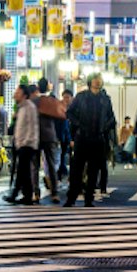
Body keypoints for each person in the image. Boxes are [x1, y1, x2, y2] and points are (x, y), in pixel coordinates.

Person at [64, 73, 115, 207]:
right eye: (95, 79)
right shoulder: (81, 97)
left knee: (94, 171)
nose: (97, 82)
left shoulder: (105, 99)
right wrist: (78, 124)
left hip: (98, 138)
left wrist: (105, 127)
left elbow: (112, 118)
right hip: (82, 137)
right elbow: (69, 113)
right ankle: (71, 198)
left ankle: (89, 199)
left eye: (99, 79)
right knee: (77, 169)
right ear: (90, 81)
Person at [35, 78, 63, 203]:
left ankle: (36, 192)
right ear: (47, 87)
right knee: (51, 165)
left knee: (34, 165)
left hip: (35, 136)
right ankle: (54, 192)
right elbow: (60, 118)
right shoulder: (52, 101)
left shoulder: (34, 101)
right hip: (50, 136)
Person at [10, 84, 39, 205]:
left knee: (22, 170)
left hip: (27, 144)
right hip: (21, 144)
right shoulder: (21, 108)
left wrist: (26, 142)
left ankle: (16, 193)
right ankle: (26, 196)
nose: (15, 93)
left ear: (24, 94)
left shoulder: (29, 107)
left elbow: (32, 127)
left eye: (18, 91)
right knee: (24, 171)